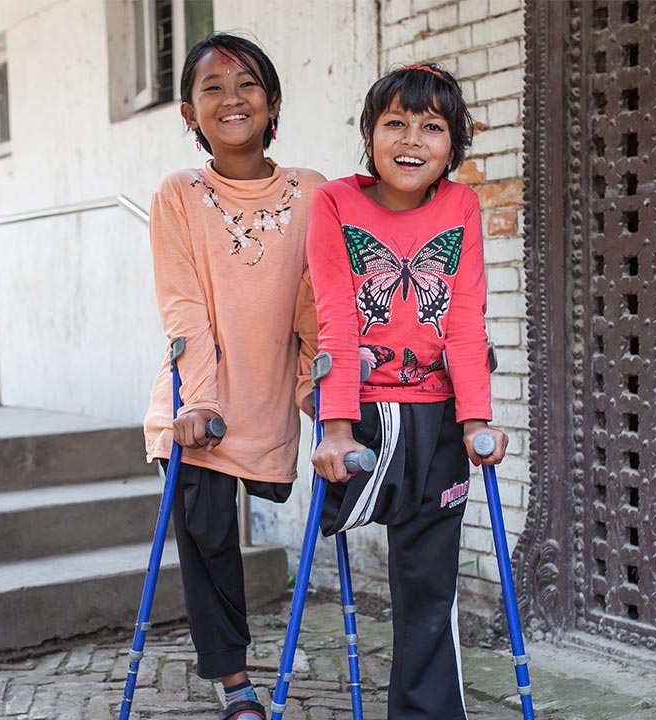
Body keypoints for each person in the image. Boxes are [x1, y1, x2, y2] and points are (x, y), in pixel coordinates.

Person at [305, 62, 508, 719]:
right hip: (361, 415)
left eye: (432, 126)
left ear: (456, 144)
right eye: (395, 122)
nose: (412, 139)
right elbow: (335, 314)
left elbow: (465, 319)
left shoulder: (461, 206)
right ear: (370, 134)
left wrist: (477, 418)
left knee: (428, 585)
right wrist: (335, 427)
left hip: (438, 419)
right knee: (343, 523)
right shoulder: (337, 201)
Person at [142, 32, 323, 720]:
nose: (230, 98)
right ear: (190, 114)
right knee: (209, 532)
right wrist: (201, 400)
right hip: (195, 396)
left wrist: (319, 394)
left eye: (246, 83)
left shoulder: (314, 191)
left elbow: (316, 305)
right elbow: (182, 304)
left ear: (272, 101)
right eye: (210, 88)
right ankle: (234, 681)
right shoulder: (177, 194)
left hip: (269, 393)